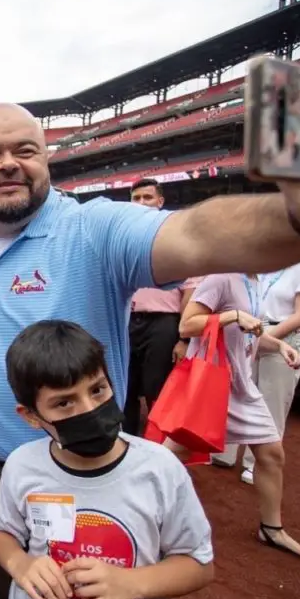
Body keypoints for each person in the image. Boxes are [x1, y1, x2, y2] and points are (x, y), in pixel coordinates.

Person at [0, 66, 300, 599]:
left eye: (26, 149)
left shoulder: (95, 230)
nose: (9, 162)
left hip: (91, 469)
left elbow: (199, 234)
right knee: (1, 598)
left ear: (47, 159)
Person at [0, 321, 214, 599]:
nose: (88, 409)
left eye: (97, 390)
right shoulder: (21, 465)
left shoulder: (160, 470)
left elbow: (199, 564)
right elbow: (3, 532)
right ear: (31, 416)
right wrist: (21, 564)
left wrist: (133, 583)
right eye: (64, 402)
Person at [179, 273, 300, 565]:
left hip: (241, 387)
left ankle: (271, 529)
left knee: (272, 454)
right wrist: (232, 315)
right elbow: (187, 324)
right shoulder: (221, 278)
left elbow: (248, 334)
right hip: (213, 386)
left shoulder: (255, 281)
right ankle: (129, 506)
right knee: (170, 454)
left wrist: (278, 345)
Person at [234, 262, 300, 483]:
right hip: (251, 334)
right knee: (239, 396)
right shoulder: (259, 267)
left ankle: (259, 464)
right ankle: (225, 452)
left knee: (272, 406)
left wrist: (267, 337)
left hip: (281, 336)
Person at [124, 179, 194, 435]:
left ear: (160, 201)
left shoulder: (176, 238)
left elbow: (189, 293)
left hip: (164, 323)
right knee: (125, 384)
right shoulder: (124, 238)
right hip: (127, 322)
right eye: (136, 198)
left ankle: (158, 442)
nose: (141, 203)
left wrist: (184, 338)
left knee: (158, 386)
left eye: (147, 197)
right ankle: (126, 440)